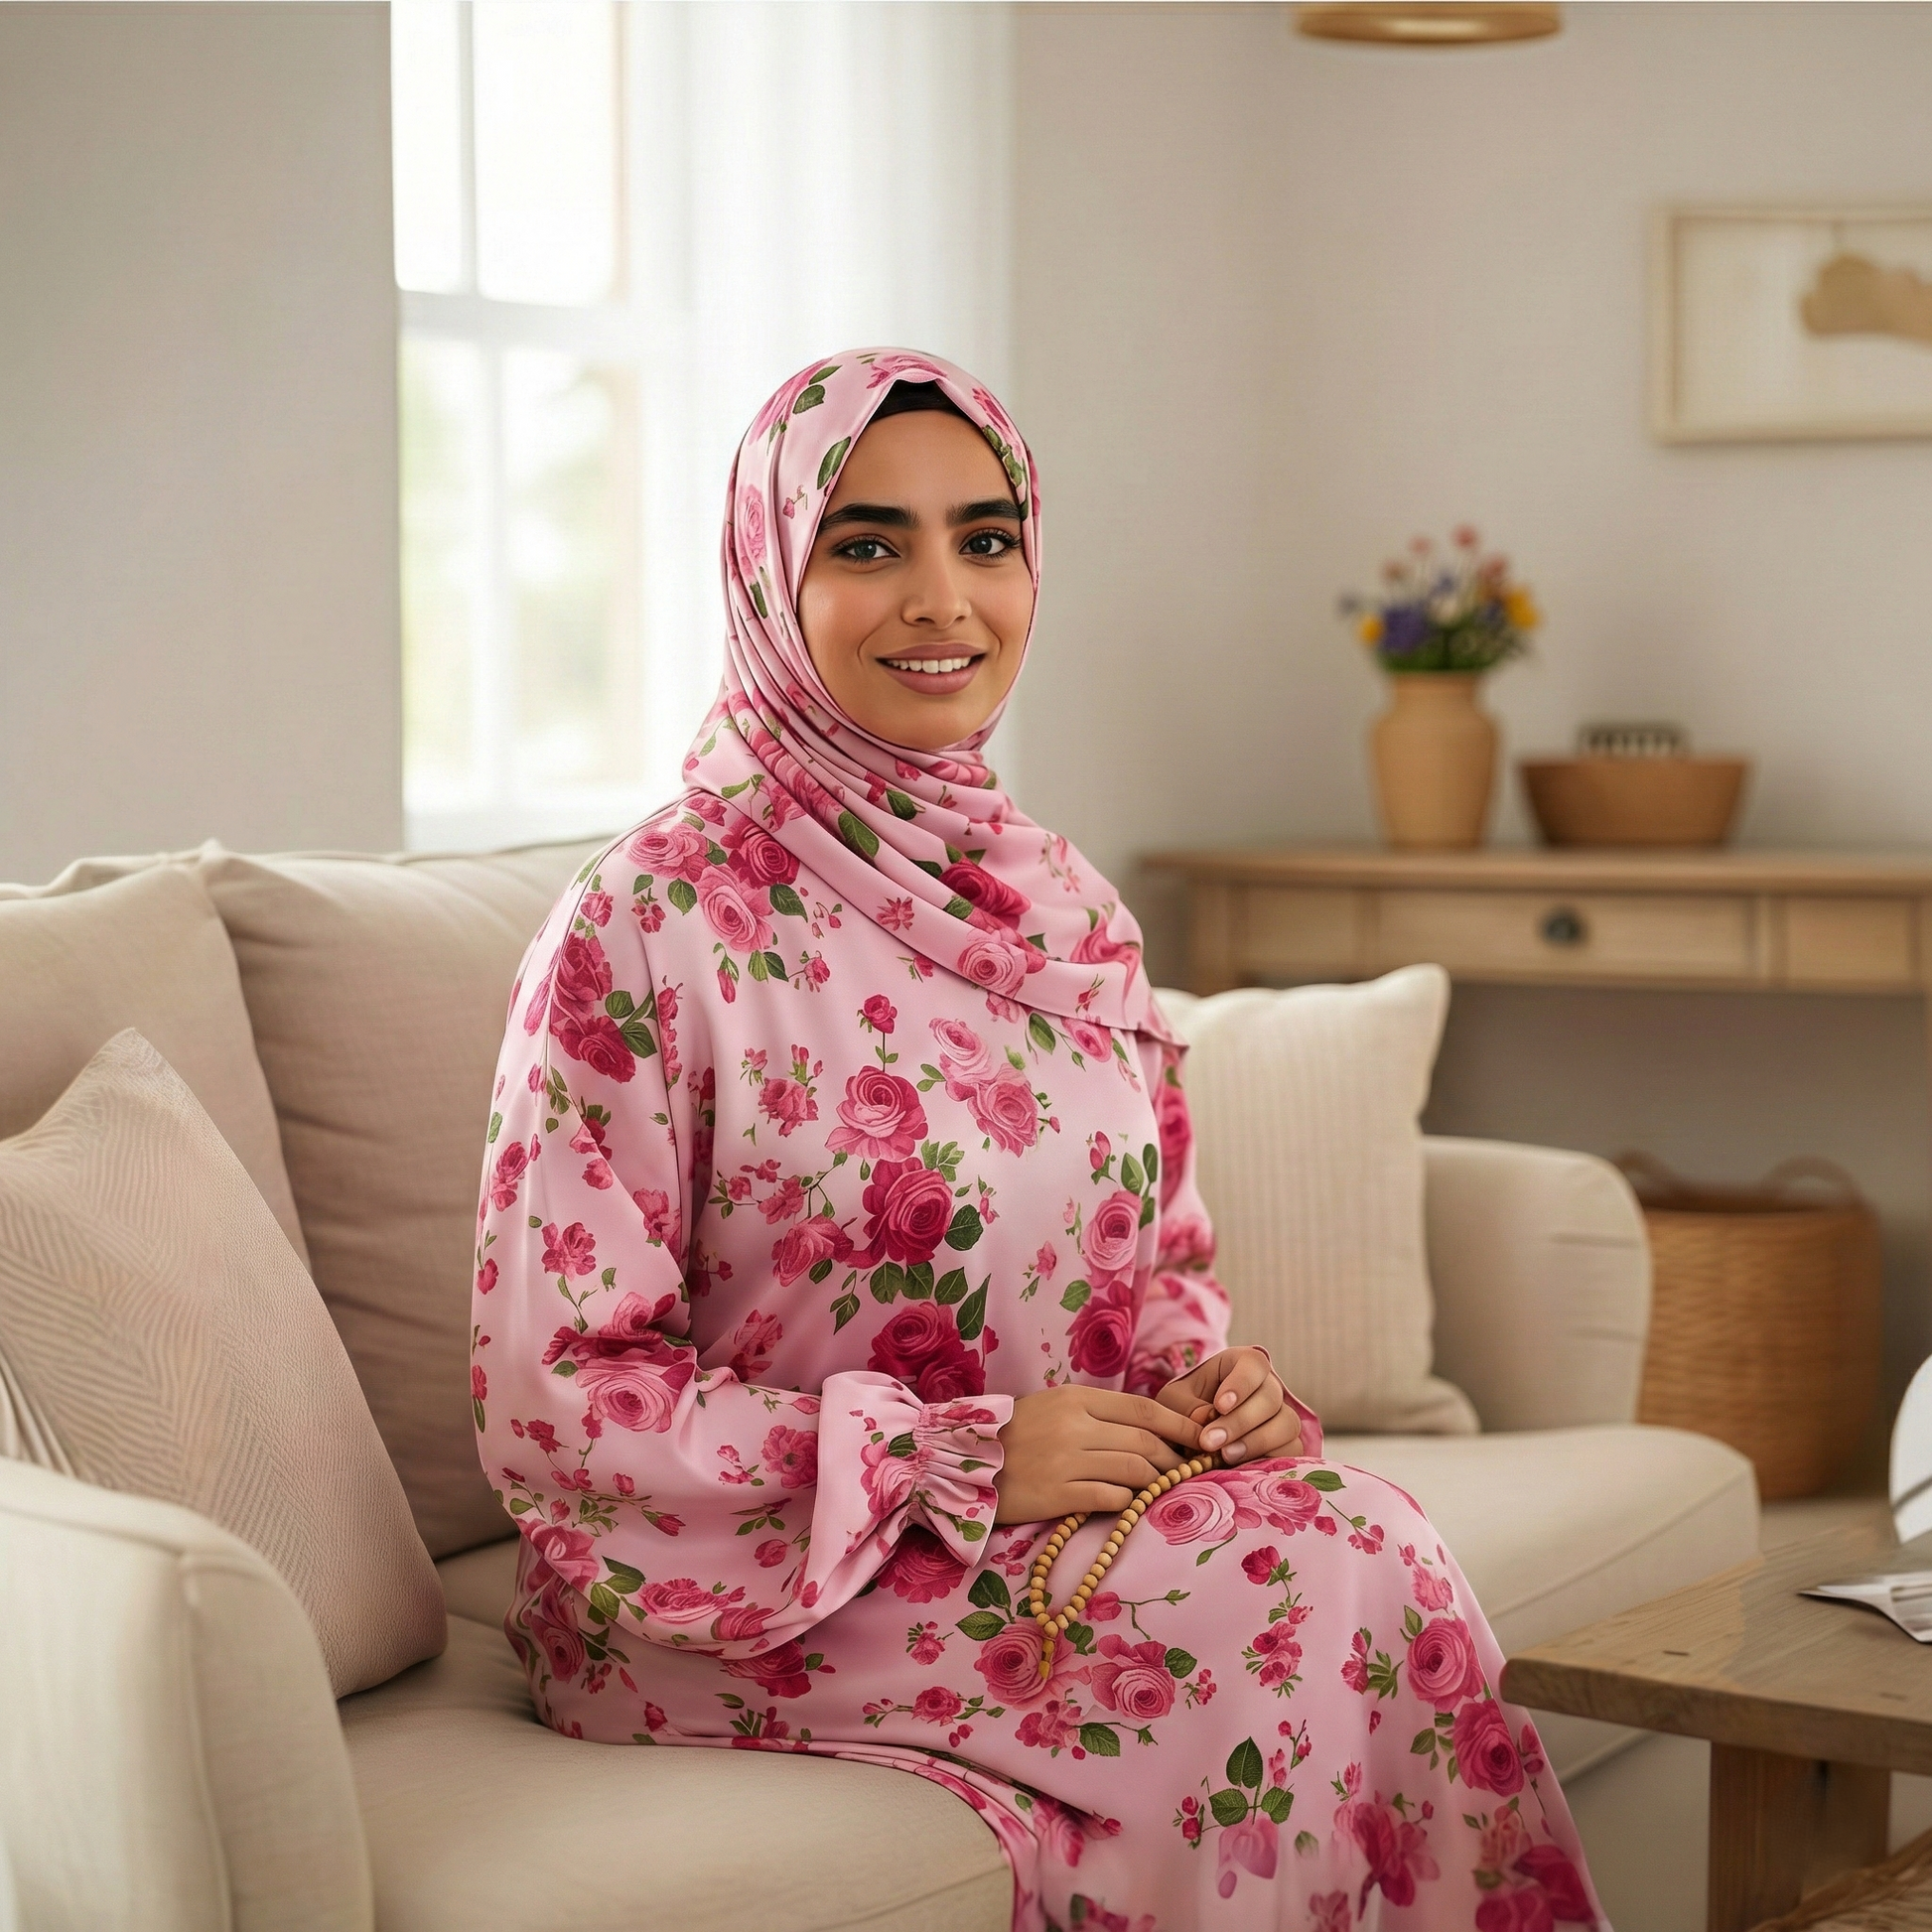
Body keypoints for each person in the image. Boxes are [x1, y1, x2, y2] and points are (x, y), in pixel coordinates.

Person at [474, 349, 1604, 1931]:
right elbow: (558, 1398)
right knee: (1321, 1575)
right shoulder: (644, 922)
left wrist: (1207, 1395)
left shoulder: (1059, 906)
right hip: (719, 1590)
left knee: (1349, 1534)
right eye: (865, 544)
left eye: (983, 539)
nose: (941, 598)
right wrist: (956, 1456)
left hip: (1042, 1533)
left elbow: (1155, 1274)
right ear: (763, 575)